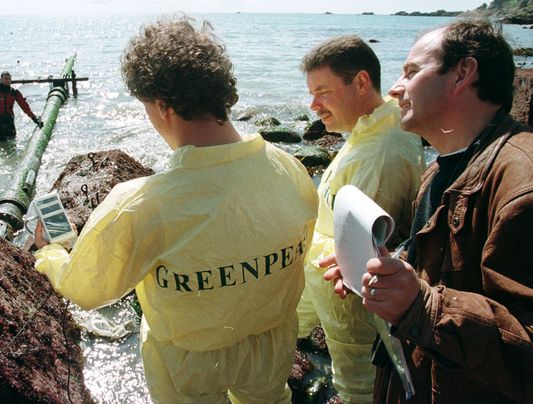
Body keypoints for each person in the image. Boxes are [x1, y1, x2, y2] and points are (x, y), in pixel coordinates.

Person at [33, 17, 319, 403]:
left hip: (188, 360)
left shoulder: (140, 204)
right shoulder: (289, 168)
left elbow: (86, 290)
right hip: (271, 344)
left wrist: (51, 254)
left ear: (163, 106)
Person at [322, 19, 533, 403]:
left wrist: (420, 304)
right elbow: (445, 264)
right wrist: (375, 261)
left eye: (412, 72)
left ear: (463, 73)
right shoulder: (444, 166)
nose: (396, 88)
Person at [295, 36, 425, 403]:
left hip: (349, 306)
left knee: (358, 387)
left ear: (362, 82)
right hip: (318, 277)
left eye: (323, 92)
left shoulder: (380, 154)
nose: (313, 105)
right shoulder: (374, 127)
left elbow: (359, 259)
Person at [0, 71, 43, 142]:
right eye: (6, 79)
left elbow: (24, 106)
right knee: (1, 144)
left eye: (9, 79)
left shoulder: (14, 92)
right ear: (1, 79)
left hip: (9, 120)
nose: (8, 81)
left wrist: (35, 119)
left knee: (13, 143)